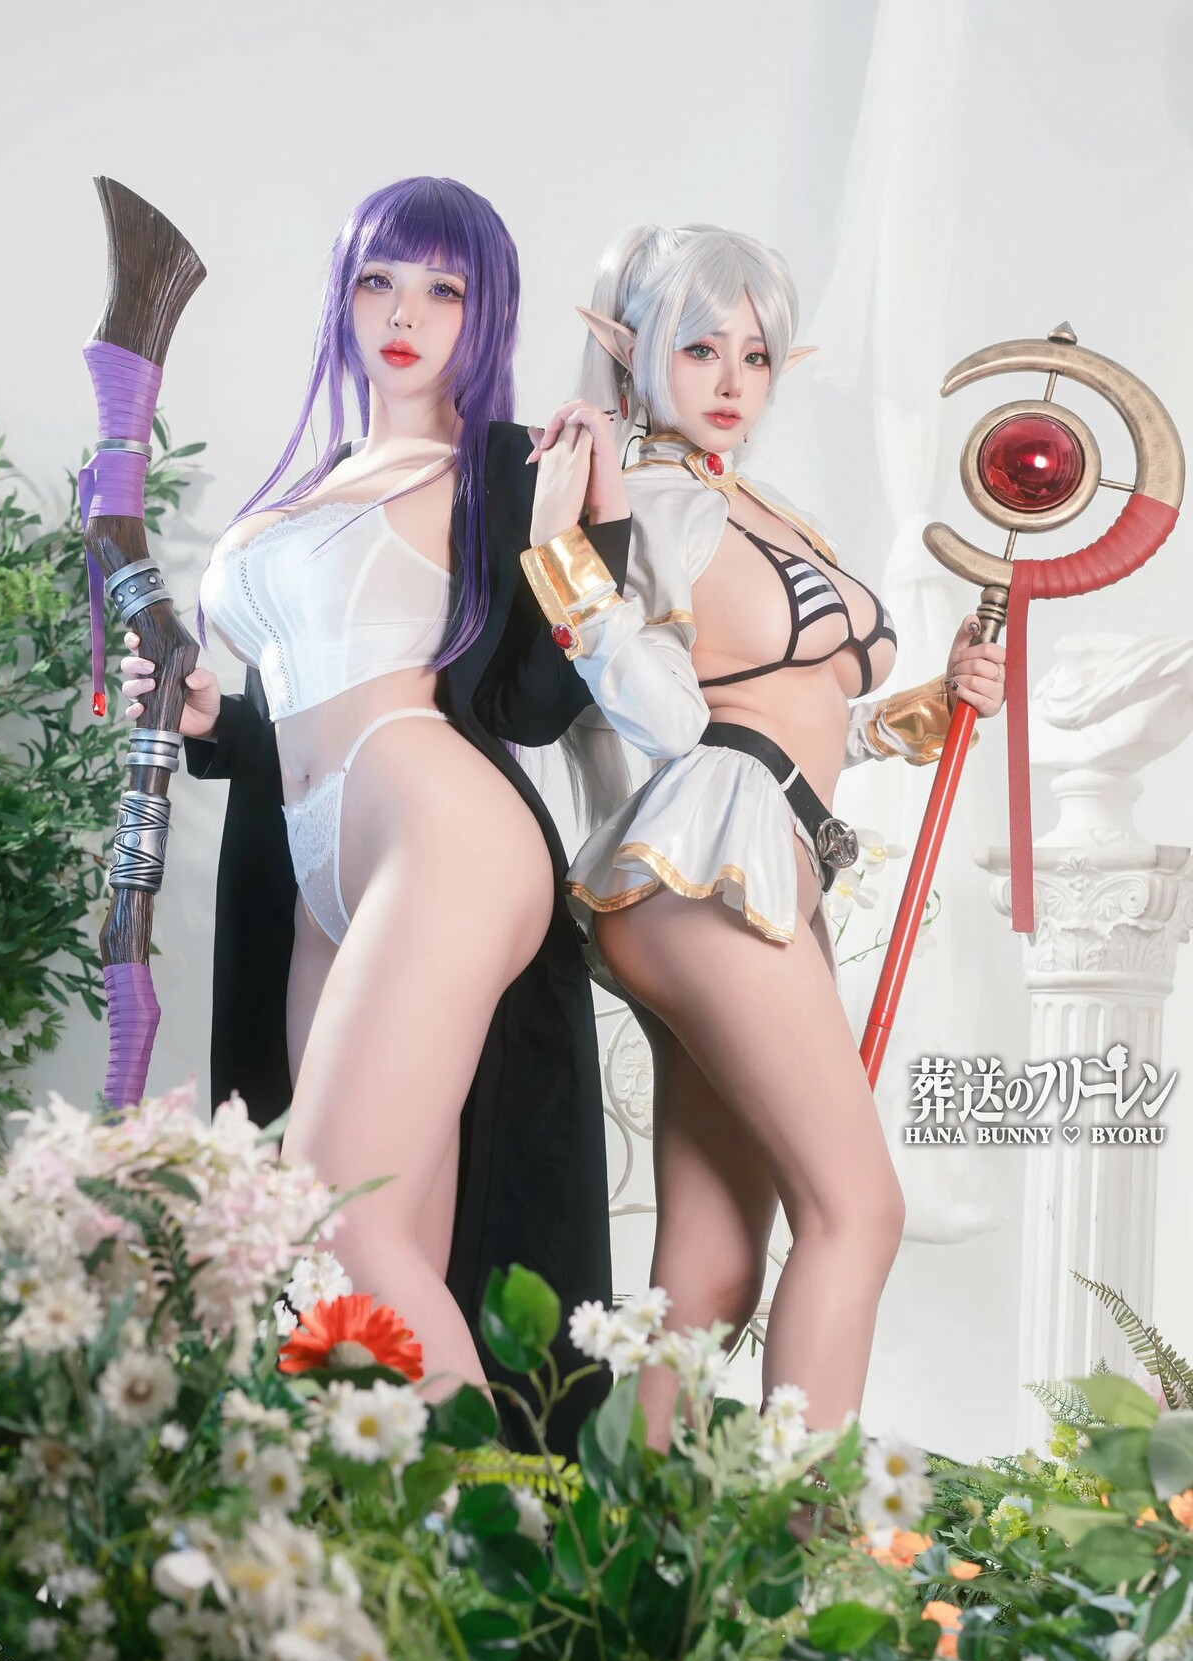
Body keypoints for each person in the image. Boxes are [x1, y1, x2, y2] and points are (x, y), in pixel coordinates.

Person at [120, 176, 631, 1456]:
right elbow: (297, 700)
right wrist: (206, 719)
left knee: (328, 1210)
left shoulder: (503, 466)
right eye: (377, 281)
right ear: (342, 299)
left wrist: (596, 524)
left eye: (442, 289)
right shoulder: (322, 478)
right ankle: (410, 1545)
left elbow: (531, 700)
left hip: (438, 834)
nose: (404, 314)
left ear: (485, 311)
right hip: (318, 870)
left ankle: (514, 1535)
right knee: (360, 1247)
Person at [520, 222, 1007, 1451]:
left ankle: (634, 1534)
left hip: (757, 860)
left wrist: (933, 700)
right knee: (857, 1211)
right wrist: (569, 558)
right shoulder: (644, 502)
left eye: (755, 355)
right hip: (709, 867)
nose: (732, 381)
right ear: (629, 350)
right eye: (699, 349)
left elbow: (807, 716)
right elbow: (673, 718)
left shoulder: (748, 500)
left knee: (714, 1268)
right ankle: (801, 1538)